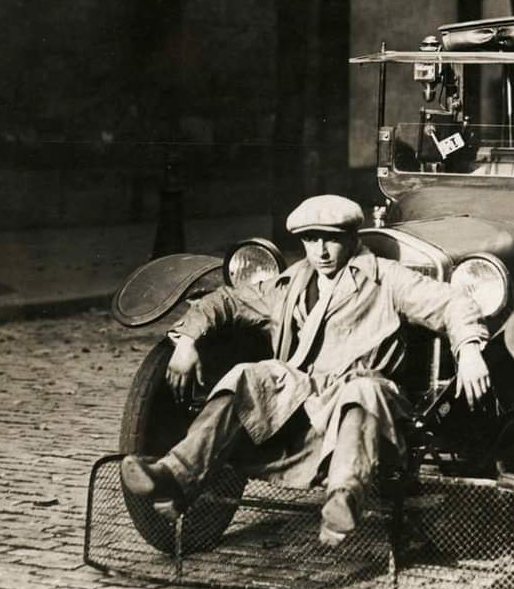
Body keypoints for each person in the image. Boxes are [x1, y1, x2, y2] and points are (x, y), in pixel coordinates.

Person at [120, 194, 491, 546]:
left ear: (351, 238)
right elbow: (226, 300)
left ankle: (343, 499)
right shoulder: (291, 283)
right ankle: (175, 475)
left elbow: (452, 303)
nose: (321, 251)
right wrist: (185, 341)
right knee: (248, 375)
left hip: (364, 394)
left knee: (361, 392)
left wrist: (470, 349)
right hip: (302, 395)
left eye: (331, 240)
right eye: (311, 240)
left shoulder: (386, 278)